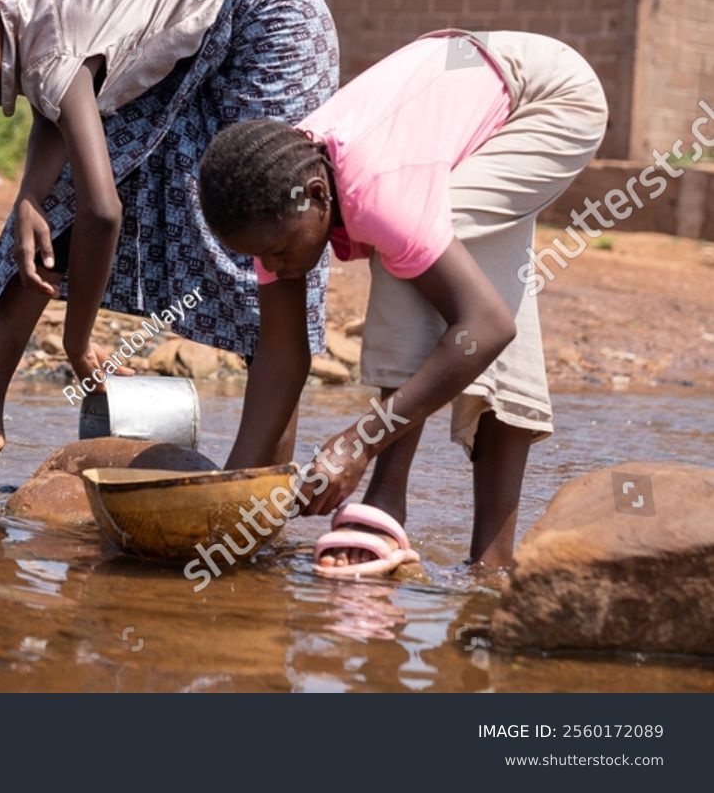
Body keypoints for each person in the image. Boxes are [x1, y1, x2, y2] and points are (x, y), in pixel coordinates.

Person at [0, 0, 338, 460]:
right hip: (201, 21)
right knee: (47, 210)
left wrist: (77, 341)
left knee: (263, 214)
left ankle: (259, 476)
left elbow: (103, 212)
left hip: (271, 20)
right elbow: (53, 100)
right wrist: (29, 197)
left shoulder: (45, 45)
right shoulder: (13, 7)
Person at [197, 29, 607, 575]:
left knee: (418, 258)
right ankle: (492, 560)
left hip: (550, 97)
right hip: (468, 81)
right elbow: (281, 353)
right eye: (258, 259)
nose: (271, 268)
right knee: (474, 276)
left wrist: (358, 443)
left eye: (275, 253)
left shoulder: (375, 193)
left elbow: (485, 327)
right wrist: (226, 498)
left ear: (320, 197)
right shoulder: (272, 203)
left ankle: (386, 500)